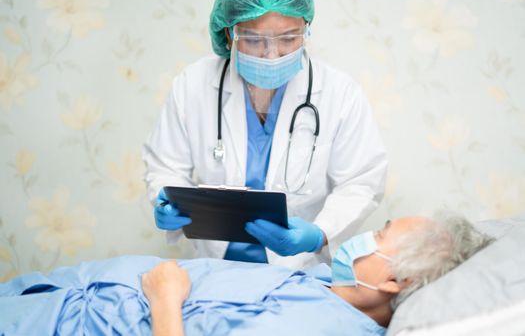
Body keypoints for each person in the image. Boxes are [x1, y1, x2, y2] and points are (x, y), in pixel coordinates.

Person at [142, 0, 388, 269]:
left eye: (288, 38)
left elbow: (361, 181)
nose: (272, 54)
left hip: (300, 269)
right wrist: (167, 200)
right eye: (254, 39)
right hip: (215, 268)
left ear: (306, 29)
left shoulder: (339, 92)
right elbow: (165, 165)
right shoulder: (193, 84)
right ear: (228, 34)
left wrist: (320, 233)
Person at [0, 214, 494, 335]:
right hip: (57, 291)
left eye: (381, 234)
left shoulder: (325, 328)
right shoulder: (325, 287)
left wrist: (165, 298)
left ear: (396, 283)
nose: (366, 234)